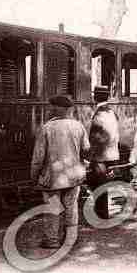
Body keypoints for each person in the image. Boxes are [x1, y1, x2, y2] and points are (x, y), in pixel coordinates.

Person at [31, 95, 90, 249]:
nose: (50, 109)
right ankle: (70, 239)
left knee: (53, 208)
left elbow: (38, 157)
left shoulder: (46, 128)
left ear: (57, 108)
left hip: (52, 178)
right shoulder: (78, 126)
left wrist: (34, 176)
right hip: (74, 175)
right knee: (71, 207)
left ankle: (52, 241)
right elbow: (86, 150)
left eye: (52, 107)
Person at [88, 85, 120, 220]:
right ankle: (103, 212)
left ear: (96, 97)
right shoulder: (112, 112)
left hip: (100, 155)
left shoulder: (99, 114)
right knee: (103, 184)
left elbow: (96, 138)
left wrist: (89, 155)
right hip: (112, 153)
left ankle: (101, 214)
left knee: (98, 185)